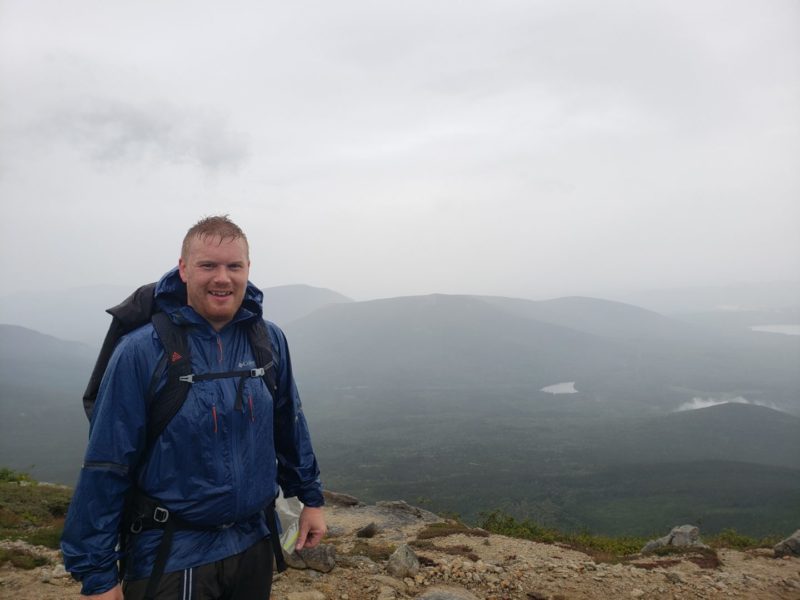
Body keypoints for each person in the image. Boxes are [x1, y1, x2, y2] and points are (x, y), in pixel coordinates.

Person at [62, 216, 326, 599]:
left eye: (234, 266)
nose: (223, 278)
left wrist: (311, 499)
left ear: (248, 270)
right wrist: (98, 575)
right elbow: (108, 463)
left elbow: (289, 424)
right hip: (171, 552)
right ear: (184, 269)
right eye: (208, 265)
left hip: (252, 541)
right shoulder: (141, 351)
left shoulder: (268, 340)